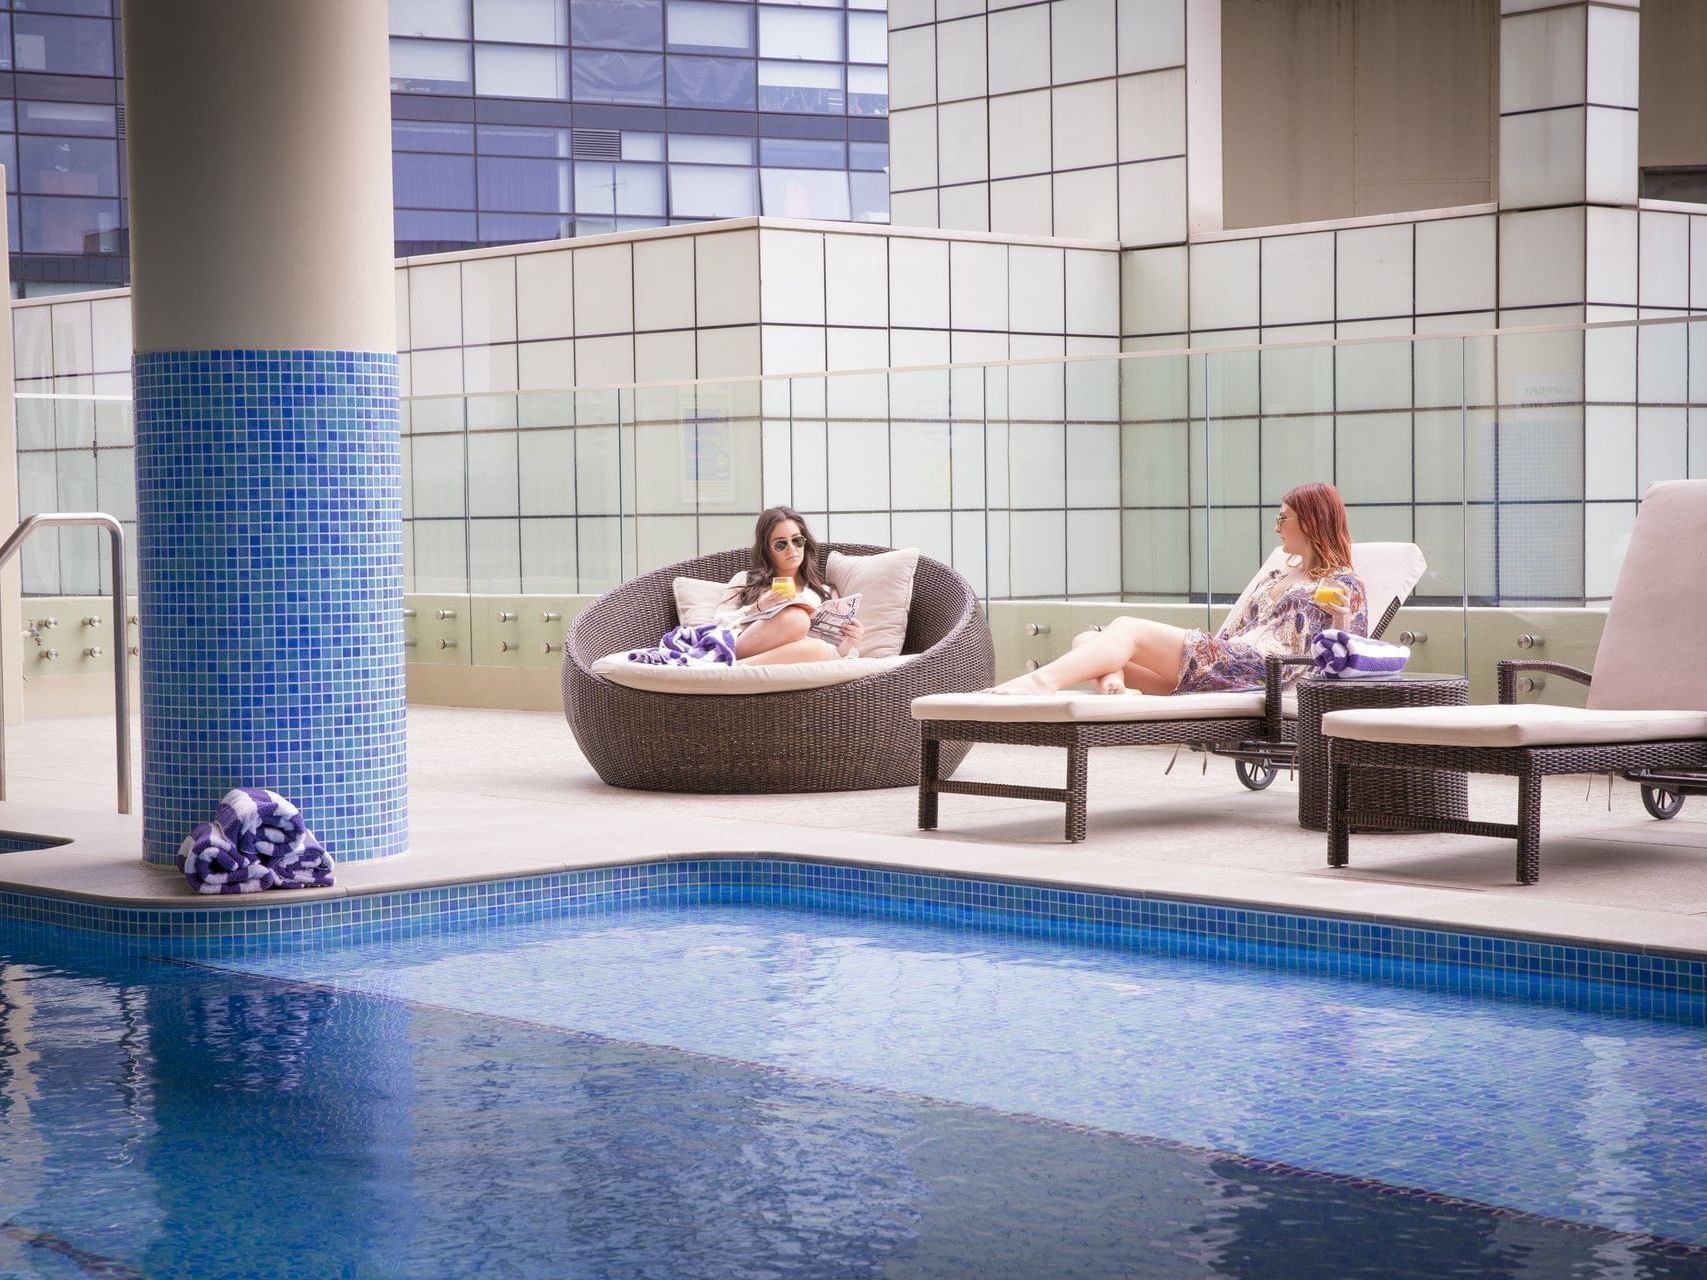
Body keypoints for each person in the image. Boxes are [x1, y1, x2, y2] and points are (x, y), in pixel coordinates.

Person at [995, 482, 1368, 695]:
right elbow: (1234, 633)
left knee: (1127, 626)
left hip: (1260, 671)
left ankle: (1040, 683)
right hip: (1226, 658)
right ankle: (1116, 692)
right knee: (1088, 640)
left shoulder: (1342, 584)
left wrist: (1342, 617)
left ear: (1312, 521)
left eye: (1282, 518)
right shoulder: (1275, 577)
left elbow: (1348, 657)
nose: (1277, 527)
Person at [720, 506, 865, 666]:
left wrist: (849, 641)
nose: (792, 549)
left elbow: (832, 655)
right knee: (797, 619)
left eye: (797, 541)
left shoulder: (824, 593)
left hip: (796, 659)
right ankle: (731, 663)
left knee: (819, 649)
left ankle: (733, 669)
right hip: (740, 648)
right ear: (767, 550)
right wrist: (756, 608)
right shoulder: (746, 581)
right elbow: (716, 625)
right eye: (781, 545)